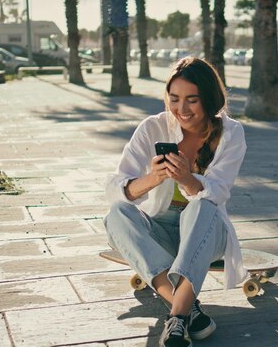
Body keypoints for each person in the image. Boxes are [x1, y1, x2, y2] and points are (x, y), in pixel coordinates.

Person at [104, 57, 247, 347]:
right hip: (160, 228)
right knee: (117, 214)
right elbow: (114, 188)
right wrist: (154, 178)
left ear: (209, 99)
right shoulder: (152, 127)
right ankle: (185, 311)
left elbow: (217, 192)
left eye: (192, 100)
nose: (181, 109)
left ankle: (177, 316)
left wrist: (186, 178)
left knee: (201, 205)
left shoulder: (232, 133)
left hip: (206, 232)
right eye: (174, 99)